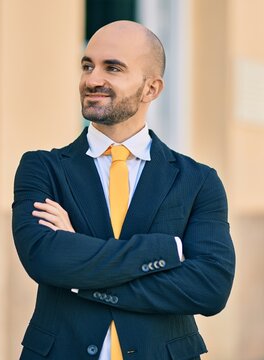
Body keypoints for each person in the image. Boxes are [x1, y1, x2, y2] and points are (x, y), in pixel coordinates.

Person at [12, 20, 235, 360]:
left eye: (112, 68)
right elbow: (46, 260)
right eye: (88, 65)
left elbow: (209, 289)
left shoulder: (198, 181)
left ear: (151, 89)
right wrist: (164, 251)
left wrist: (80, 273)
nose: (92, 79)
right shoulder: (43, 169)